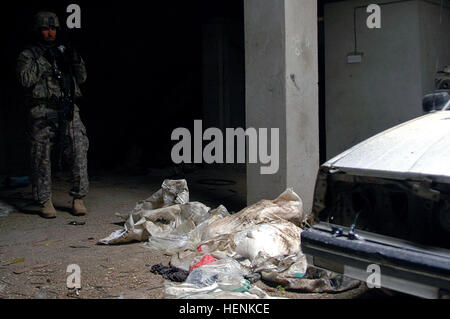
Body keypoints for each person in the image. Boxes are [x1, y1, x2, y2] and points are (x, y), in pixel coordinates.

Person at [16, 11, 89, 218]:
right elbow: (25, 80)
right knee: (41, 155)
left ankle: (78, 197)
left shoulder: (64, 51)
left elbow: (82, 78)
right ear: (38, 30)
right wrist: (43, 61)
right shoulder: (28, 55)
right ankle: (45, 200)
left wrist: (75, 60)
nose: (50, 33)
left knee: (79, 148)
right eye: (46, 29)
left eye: (54, 29)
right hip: (42, 109)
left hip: (67, 107)